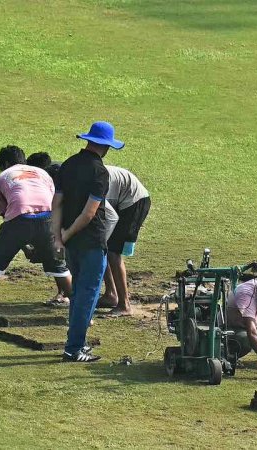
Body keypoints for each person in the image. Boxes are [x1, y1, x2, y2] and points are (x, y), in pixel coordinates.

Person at [52, 121, 123, 362]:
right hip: (90, 240)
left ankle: (75, 342)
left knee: (78, 294)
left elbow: (57, 203)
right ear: (106, 147)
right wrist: (68, 234)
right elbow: (89, 213)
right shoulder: (99, 172)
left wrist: (59, 237)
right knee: (87, 294)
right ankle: (74, 348)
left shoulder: (68, 165)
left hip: (71, 243)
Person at [0, 146, 73, 325]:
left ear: (5, 164)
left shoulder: (1, 178)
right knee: (60, 268)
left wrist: (24, 245)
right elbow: (52, 200)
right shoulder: (43, 173)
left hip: (19, 219)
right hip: (49, 219)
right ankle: (82, 317)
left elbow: (8, 215)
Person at [97, 165, 151, 317]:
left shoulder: (93, 183)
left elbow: (111, 217)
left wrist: (103, 241)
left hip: (134, 201)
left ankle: (124, 304)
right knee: (104, 248)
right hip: (117, 200)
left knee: (112, 252)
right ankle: (111, 295)